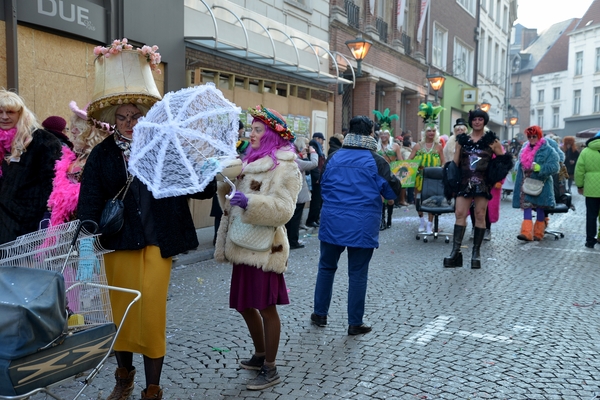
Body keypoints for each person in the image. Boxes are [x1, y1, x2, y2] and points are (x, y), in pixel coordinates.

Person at [77, 41, 216, 400]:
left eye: (135, 116)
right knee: (121, 316)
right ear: (112, 120)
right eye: (121, 117)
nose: (127, 123)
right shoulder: (103, 154)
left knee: (151, 316)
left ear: (145, 116)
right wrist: (86, 241)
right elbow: (89, 199)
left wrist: (205, 168)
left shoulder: (163, 145)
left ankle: (152, 389)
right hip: (117, 243)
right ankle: (124, 380)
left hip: (157, 242)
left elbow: (197, 190)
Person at [214, 105, 302, 390]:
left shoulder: (286, 167)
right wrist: (226, 190)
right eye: (250, 128)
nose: (250, 134)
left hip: (265, 249)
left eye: (257, 129)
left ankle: (271, 368)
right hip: (242, 243)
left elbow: (285, 209)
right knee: (244, 305)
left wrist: (250, 204)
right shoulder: (248, 161)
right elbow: (230, 206)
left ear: (272, 135)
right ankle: (261, 353)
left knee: (266, 308)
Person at [311, 115, 401, 335]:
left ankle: (320, 314)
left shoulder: (333, 157)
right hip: (362, 223)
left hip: (332, 220)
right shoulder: (377, 161)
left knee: (326, 267)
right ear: (371, 134)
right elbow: (392, 192)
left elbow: (322, 186)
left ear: (349, 132)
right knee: (358, 273)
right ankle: (354, 322)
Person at [443, 109, 510, 269]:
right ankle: (455, 253)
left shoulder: (492, 141)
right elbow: (456, 163)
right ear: (471, 121)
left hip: (482, 182)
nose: (477, 122)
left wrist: (493, 177)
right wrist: (452, 180)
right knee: (459, 213)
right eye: (475, 119)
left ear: (484, 121)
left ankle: (476, 253)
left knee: (480, 215)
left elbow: (503, 162)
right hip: (464, 181)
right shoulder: (462, 140)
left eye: (480, 119)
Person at [0, 90, 63, 244]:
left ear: (20, 113)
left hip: (26, 228)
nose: (4, 117)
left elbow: (52, 182)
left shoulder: (41, 140)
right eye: (0, 112)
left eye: (10, 112)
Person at [46, 101, 110, 226]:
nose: (73, 131)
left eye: (80, 127)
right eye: (73, 126)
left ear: (93, 132)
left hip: (87, 225)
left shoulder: (101, 159)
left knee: (85, 246)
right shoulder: (73, 156)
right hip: (63, 225)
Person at [511, 125, 560, 242]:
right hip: (526, 182)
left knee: (539, 207)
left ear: (539, 136)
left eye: (534, 136)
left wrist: (540, 168)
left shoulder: (548, 150)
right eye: (529, 136)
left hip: (541, 183)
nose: (532, 139)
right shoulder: (524, 149)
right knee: (526, 206)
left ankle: (538, 232)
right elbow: (519, 163)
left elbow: (555, 167)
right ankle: (526, 233)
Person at [409, 104, 445, 234]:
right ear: (425, 132)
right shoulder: (418, 146)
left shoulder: (439, 147)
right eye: (429, 130)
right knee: (418, 199)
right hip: (420, 177)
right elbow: (409, 161)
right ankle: (421, 221)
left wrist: (441, 170)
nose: (431, 133)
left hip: (433, 179)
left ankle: (430, 224)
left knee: (432, 200)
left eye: (433, 131)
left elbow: (443, 162)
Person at [286, 136, 317, 249]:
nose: (308, 148)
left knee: (293, 217)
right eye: (307, 145)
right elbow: (313, 164)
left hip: (293, 193)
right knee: (295, 218)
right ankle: (293, 241)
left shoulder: (293, 157)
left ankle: (290, 240)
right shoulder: (296, 160)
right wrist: (313, 153)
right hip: (298, 193)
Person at [575, 131, 600, 248]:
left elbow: (579, 170)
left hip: (591, 189)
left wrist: (580, 186)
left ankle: (590, 240)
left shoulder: (586, 151)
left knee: (591, 216)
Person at [377, 128, 403, 229]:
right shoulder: (376, 146)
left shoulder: (395, 146)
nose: (383, 136)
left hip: (391, 174)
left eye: (385, 134)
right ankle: (382, 220)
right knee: (381, 197)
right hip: (380, 174)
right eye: (381, 134)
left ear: (389, 135)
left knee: (391, 199)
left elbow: (400, 161)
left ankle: (389, 219)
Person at [305, 131, 325, 228]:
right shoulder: (313, 147)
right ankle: (311, 219)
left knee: (318, 200)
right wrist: (317, 177)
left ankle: (315, 219)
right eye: (321, 140)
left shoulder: (318, 148)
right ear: (317, 139)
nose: (322, 142)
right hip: (315, 178)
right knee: (316, 200)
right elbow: (315, 165)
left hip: (318, 177)